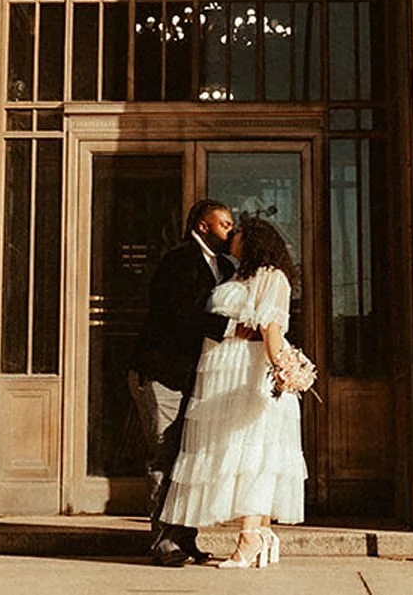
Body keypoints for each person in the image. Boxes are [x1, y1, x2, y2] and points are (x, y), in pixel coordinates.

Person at [159, 215, 308, 570]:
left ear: (253, 239)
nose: (232, 236)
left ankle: (250, 537)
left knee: (252, 452)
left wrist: (283, 368)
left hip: (247, 373)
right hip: (220, 374)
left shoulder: (272, 277)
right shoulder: (236, 273)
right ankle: (261, 535)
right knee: (231, 452)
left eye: (237, 230)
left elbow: (271, 329)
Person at [132, 198, 238, 566]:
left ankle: (186, 536)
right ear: (202, 226)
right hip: (162, 372)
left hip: (199, 377)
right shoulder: (177, 261)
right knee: (164, 455)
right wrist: (231, 328)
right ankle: (163, 541)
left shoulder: (226, 267)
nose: (231, 230)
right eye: (224, 223)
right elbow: (179, 314)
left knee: (190, 456)